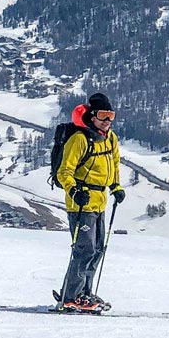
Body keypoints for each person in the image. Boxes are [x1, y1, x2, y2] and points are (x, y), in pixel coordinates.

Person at [55, 92, 124, 313]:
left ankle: (84, 293)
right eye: (103, 115)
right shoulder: (79, 139)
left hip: (99, 202)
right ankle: (70, 297)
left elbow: (114, 163)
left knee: (97, 250)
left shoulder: (110, 138)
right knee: (84, 249)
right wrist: (74, 191)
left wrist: (116, 186)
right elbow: (64, 171)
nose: (108, 121)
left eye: (111, 115)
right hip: (81, 204)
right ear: (91, 116)